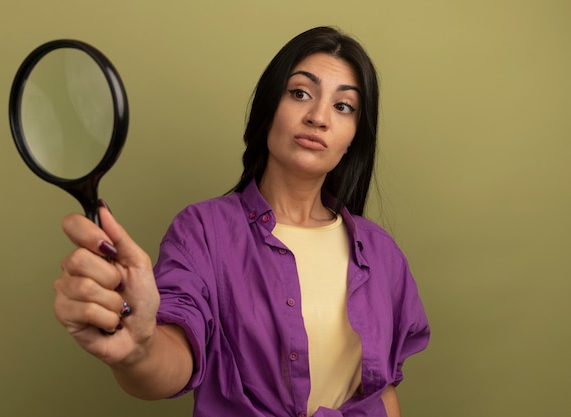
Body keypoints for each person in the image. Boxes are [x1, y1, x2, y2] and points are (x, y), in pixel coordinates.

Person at [54, 26, 430, 417]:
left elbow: (381, 393)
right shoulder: (203, 231)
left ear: (354, 136)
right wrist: (139, 348)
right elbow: (175, 359)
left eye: (343, 106)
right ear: (269, 107)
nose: (318, 117)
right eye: (300, 93)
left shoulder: (382, 253)